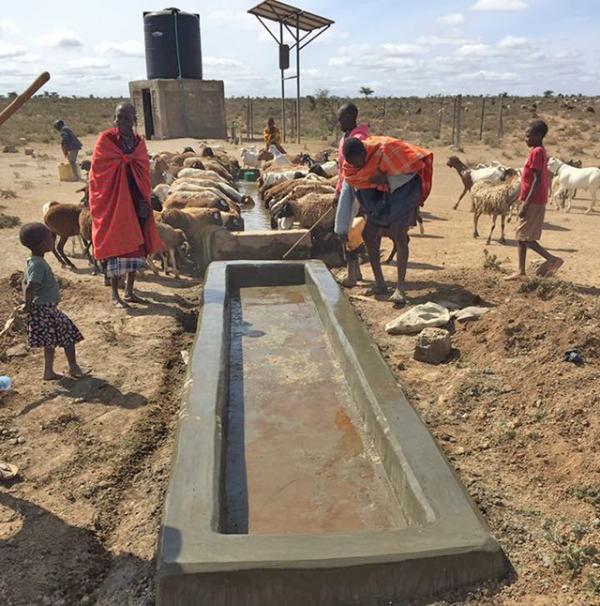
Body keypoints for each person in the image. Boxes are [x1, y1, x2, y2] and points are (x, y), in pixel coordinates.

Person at [343, 136, 433, 305]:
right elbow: (356, 181)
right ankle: (380, 283)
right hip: (378, 197)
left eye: (358, 161)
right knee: (368, 234)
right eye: (352, 163)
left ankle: (400, 288)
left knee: (399, 235)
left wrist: (388, 179)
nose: (356, 166)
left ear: (363, 153)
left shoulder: (385, 150)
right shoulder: (351, 167)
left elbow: (413, 164)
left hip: (402, 192)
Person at [88, 102, 162, 308]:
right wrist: (122, 163)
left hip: (136, 199)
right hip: (114, 202)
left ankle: (130, 291)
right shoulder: (106, 140)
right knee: (116, 245)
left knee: (138, 246)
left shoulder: (138, 143)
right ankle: (115, 294)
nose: (121, 122)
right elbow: (98, 173)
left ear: (134, 120)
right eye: (118, 117)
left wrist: (144, 200)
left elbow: (143, 170)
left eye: (126, 118)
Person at [19, 222, 84, 380]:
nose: (53, 240)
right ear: (43, 244)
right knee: (68, 335)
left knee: (50, 342)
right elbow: (30, 286)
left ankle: (48, 372)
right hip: (45, 310)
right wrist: (27, 304)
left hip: (42, 309)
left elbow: (25, 282)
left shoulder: (33, 261)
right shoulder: (39, 264)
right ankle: (74, 367)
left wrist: (28, 304)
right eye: (51, 237)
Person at [505, 120, 563, 281]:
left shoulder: (537, 152)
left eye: (528, 135)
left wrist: (526, 202)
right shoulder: (538, 150)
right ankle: (521, 271)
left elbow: (537, 179)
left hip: (534, 200)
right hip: (532, 198)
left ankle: (551, 259)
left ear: (538, 136)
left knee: (524, 237)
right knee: (522, 236)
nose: (526, 138)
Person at [333, 103, 369, 287]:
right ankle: (357, 272)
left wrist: (359, 197)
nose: (338, 122)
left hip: (356, 187)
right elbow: (342, 169)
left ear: (350, 117)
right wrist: (337, 190)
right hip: (346, 186)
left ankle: (351, 275)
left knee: (345, 231)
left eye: (341, 119)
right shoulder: (345, 138)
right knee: (348, 230)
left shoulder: (359, 138)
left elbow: (358, 167)